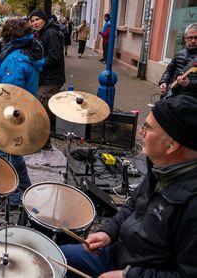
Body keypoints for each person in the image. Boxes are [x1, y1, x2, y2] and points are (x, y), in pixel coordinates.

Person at [60, 94, 197, 278]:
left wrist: (127, 275)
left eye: (147, 128)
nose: (140, 132)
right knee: (56, 258)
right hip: (119, 252)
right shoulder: (162, 168)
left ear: (171, 146)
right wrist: (109, 232)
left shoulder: (192, 204)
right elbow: (133, 205)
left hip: (140, 271)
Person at [0, 18, 46, 207]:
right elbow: (8, 76)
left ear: (8, 36)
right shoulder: (26, 52)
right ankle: (24, 185)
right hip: (22, 111)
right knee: (14, 153)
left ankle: (13, 196)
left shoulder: (16, 58)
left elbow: (8, 91)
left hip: (11, 114)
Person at [29, 8, 65, 150]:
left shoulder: (50, 33)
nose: (34, 23)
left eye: (37, 19)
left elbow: (54, 56)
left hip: (51, 79)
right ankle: (42, 142)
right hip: (45, 77)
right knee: (41, 110)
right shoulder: (42, 33)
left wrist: (38, 63)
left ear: (44, 19)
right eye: (32, 21)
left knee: (44, 113)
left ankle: (44, 144)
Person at [159, 23, 197, 99]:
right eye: (190, 37)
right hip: (174, 93)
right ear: (185, 39)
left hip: (192, 98)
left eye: (196, 38)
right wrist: (164, 82)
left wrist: (189, 84)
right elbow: (169, 71)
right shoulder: (178, 54)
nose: (193, 41)